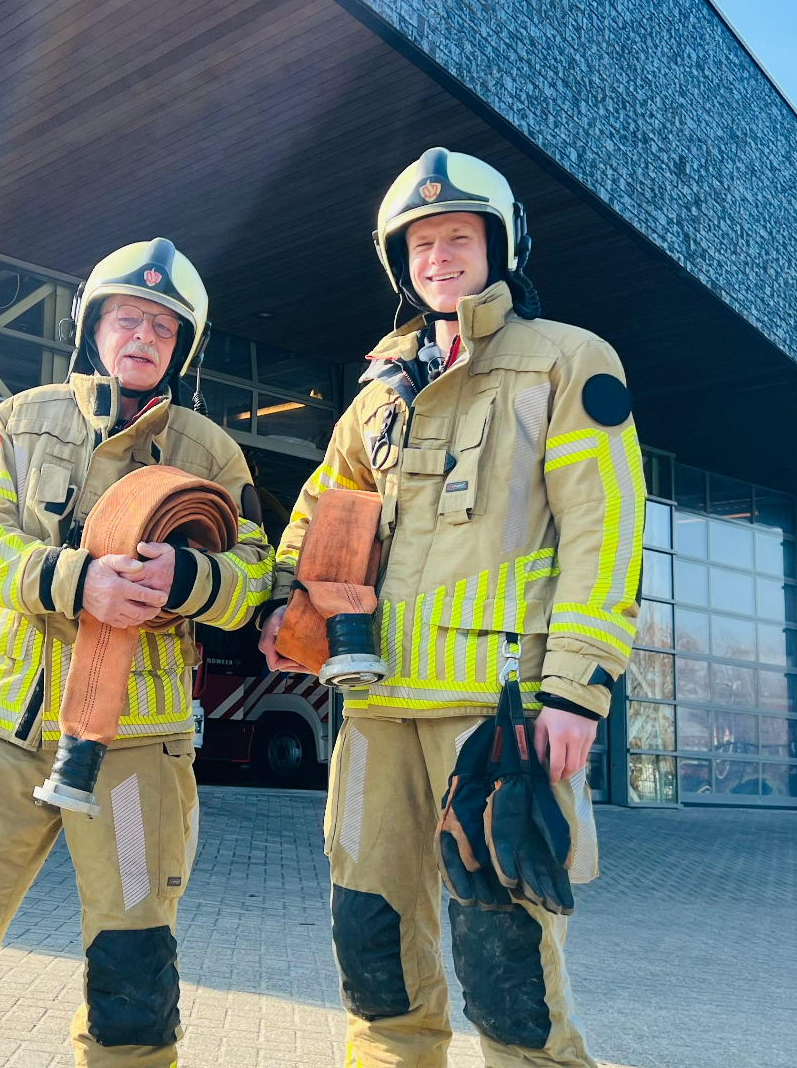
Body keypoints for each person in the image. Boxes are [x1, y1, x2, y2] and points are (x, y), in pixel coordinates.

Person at [259, 148, 644, 1067]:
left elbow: (606, 528)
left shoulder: (566, 361)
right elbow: (324, 510)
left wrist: (577, 690)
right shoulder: (377, 393)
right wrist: (286, 602)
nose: (440, 256)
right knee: (372, 944)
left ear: (498, 246)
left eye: (459, 237)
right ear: (403, 262)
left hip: (495, 715)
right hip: (375, 707)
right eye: (422, 243)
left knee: (506, 964)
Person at [0, 238, 275, 1068]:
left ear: (181, 349)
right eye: (128, 317)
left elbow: (254, 574)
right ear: (93, 328)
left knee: (133, 975)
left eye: (163, 326)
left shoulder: (212, 454)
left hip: (134, 756)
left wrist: (187, 575)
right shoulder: (22, 419)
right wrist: (70, 579)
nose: (144, 336)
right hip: (1, 735)